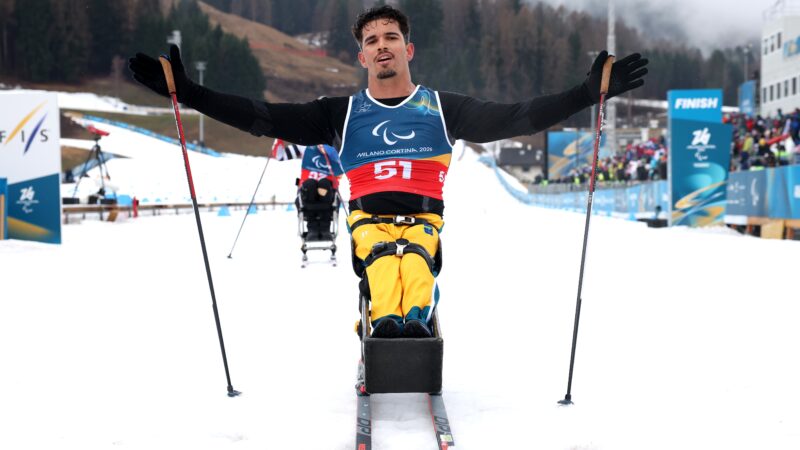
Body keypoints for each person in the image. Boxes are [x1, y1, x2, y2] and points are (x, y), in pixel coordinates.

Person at [129, 5, 648, 338]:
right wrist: (188, 92)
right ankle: (385, 320)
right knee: (383, 266)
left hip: (423, 222)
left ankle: (411, 320)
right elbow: (261, 116)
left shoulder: (443, 107)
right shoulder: (341, 113)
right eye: (372, 39)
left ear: (408, 48)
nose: (382, 45)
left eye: (391, 36)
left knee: (415, 270)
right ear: (361, 56)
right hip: (367, 224)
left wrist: (587, 93)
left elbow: (518, 117)